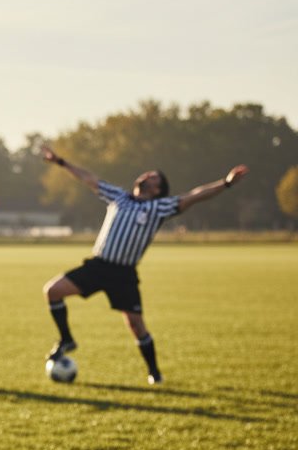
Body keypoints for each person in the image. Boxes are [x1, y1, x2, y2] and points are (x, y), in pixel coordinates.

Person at [40, 144, 249, 385]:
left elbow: (195, 195)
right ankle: (66, 340)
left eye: (153, 176)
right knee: (52, 291)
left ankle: (154, 374)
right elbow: (89, 178)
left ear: (157, 188)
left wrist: (227, 183)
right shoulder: (118, 197)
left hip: (123, 274)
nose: (147, 175)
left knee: (136, 326)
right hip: (97, 266)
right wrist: (60, 162)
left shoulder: (159, 207)